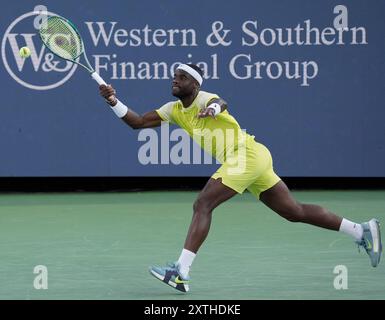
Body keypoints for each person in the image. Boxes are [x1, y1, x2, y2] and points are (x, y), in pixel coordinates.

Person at [99, 63, 382, 293]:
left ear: (194, 85)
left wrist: (212, 109)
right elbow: (138, 122)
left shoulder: (204, 98)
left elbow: (220, 102)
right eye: (174, 76)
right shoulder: (173, 110)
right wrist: (113, 100)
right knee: (292, 211)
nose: (175, 80)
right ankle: (361, 230)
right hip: (254, 158)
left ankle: (181, 272)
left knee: (203, 204)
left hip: (245, 155)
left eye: (182, 77)